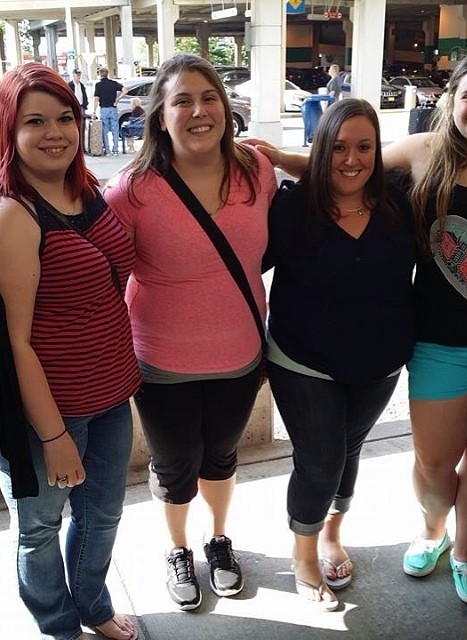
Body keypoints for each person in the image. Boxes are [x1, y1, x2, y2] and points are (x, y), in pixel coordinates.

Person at [251, 50, 467, 606]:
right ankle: (431, 530)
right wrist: (270, 157)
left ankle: (465, 550)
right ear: (451, 102)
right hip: (433, 340)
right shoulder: (426, 153)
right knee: (426, 460)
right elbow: (343, 164)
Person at [103, 53, 277, 612]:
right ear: (159, 116)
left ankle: (218, 540)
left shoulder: (257, 171)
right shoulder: (131, 191)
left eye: (209, 98)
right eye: (182, 100)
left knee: (222, 455)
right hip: (160, 363)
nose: (198, 111)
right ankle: (177, 548)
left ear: (226, 109)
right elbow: (101, 274)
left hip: (241, 354)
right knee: (176, 464)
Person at [0, 63, 140, 640]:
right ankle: (59, 625)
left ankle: (92, 603)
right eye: (35, 120)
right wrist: (54, 437)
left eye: (65, 117)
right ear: (9, 130)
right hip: (48, 415)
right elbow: (15, 341)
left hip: (112, 394)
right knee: (39, 529)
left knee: (102, 515)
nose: (55, 131)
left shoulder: (85, 190)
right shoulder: (14, 214)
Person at [264, 98, 415, 611]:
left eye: (365, 147)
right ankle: (303, 554)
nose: (352, 159)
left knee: (348, 450)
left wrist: (294, 155)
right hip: (303, 359)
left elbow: (435, 144)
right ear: (320, 147)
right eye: (339, 147)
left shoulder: (401, 198)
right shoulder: (290, 206)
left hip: (379, 363)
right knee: (321, 457)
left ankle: (331, 532)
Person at [92, 67, 127, 156]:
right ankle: (115, 150)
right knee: (115, 129)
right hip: (113, 108)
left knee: (105, 130)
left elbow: (96, 98)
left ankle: (107, 151)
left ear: (100, 74)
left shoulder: (98, 85)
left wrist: (94, 111)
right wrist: (117, 99)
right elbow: (125, 90)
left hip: (104, 109)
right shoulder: (114, 83)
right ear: (107, 74)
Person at [68, 68, 88, 152]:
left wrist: (85, 105)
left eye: (80, 75)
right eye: (77, 74)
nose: (79, 76)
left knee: (82, 127)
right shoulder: (70, 85)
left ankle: (82, 146)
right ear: (73, 75)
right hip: (73, 107)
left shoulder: (82, 85)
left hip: (81, 107)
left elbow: (84, 96)